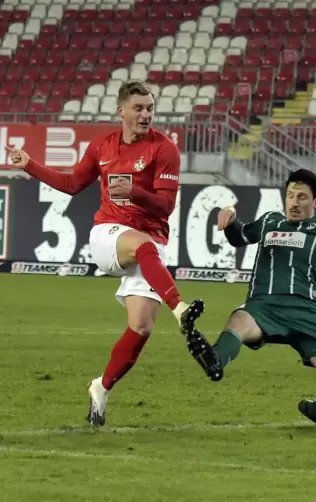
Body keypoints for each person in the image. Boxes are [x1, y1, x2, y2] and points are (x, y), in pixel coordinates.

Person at [3, 80, 205, 427]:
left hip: (149, 246)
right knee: (142, 246)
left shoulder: (164, 148)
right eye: (139, 108)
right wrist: (29, 164)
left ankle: (101, 387)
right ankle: (181, 309)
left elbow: (167, 206)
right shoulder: (103, 146)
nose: (145, 114)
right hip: (107, 236)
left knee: (140, 327)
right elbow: (71, 184)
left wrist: (135, 193)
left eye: (150, 108)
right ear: (121, 111)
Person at [184, 140, 316, 427]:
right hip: (264, 307)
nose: (294, 202)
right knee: (238, 322)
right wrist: (231, 220)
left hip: (308, 313)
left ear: (315, 202)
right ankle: (215, 360)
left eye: (301, 197)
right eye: (290, 195)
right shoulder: (270, 222)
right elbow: (239, 237)